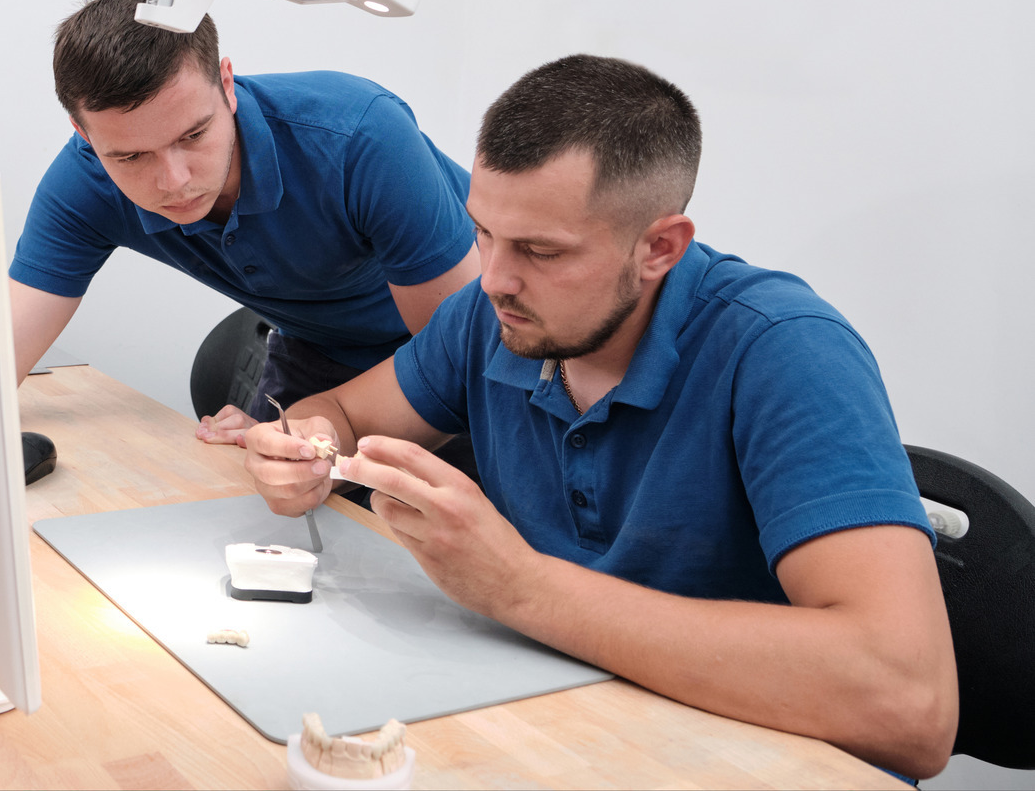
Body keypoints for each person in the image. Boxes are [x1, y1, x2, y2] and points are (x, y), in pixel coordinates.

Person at [244, 54, 957, 779]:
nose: (493, 279)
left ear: (659, 248)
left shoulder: (786, 351)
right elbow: (339, 411)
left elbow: (911, 705)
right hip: (571, 732)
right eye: (483, 232)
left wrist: (518, 586)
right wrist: (305, 445)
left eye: (541, 251)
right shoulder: (492, 320)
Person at [8, 0, 479, 441]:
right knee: (263, 482)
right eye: (131, 157)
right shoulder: (85, 182)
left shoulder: (359, 138)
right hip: (317, 347)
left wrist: (333, 432)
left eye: (193, 135)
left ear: (227, 85)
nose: (174, 181)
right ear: (84, 134)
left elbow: (457, 362)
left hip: (465, 342)